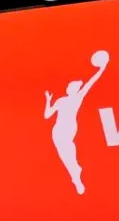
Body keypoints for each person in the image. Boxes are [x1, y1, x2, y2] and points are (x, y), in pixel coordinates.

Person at [44, 51, 109, 194]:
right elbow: (47, 115)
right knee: (67, 155)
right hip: (59, 131)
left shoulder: (77, 98)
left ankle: (75, 172)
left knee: (69, 154)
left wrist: (102, 69)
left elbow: (90, 83)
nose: (74, 88)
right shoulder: (62, 100)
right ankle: (75, 175)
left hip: (67, 131)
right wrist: (48, 101)